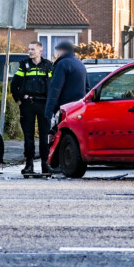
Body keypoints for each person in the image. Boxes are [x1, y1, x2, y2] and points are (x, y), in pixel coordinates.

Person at [9, 41, 54, 175]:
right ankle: (29, 165)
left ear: (40, 51)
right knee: (28, 136)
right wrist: (18, 99)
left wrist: (52, 103)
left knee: (44, 136)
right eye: (29, 49)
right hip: (28, 105)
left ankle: (45, 164)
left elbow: (52, 86)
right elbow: (15, 84)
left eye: (33, 49)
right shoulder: (24, 65)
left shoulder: (48, 66)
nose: (30, 51)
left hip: (43, 104)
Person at [44, 41, 88, 172]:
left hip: (64, 108)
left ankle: (57, 165)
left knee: (59, 136)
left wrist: (49, 111)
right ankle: (68, 164)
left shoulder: (62, 64)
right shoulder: (80, 64)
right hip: (77, 107)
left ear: (61, 51)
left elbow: (55, 89)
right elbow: (87, 87)